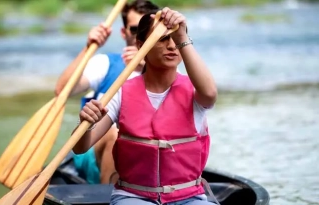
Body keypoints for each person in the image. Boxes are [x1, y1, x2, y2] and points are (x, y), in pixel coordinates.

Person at [73, 6, 218, 205]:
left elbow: (210, 94)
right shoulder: (121, 92)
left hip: (189, 198)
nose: (172, 46)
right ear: (141, 46)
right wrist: (85, 123)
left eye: (175, 39)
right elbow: (81, 147)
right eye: (162, 38)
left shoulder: (196, 91)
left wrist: (181, 33)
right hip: (134, 197)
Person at [54, 0, 160, 185]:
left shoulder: (166, 71)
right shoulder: (105, 63)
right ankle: (108, 195)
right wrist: (89, 47)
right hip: (94, 146)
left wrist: (149, 69)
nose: (141, 36)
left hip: (145, 151)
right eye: (135, 29)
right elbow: (62, 90)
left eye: (149, 31)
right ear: (124, 32)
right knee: (115, 133)